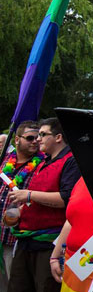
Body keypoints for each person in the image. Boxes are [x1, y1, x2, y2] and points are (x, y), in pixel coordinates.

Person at [7, 117, 81, 292]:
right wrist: (22, 210)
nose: (38, 139)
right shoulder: (43, 163)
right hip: (26, 240)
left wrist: (29, 195)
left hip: (49, 244)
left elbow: (67, 199)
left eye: (42, 134)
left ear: (58, 137)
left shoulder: (71, 161)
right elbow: (39, 198)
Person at [0, 121, 42, 282]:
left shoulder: (42, 165)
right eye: (30, 138)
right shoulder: (5, 161)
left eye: (38, 138)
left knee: (14, 284)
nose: (35, 141)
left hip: (17, 239)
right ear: (16, 140)